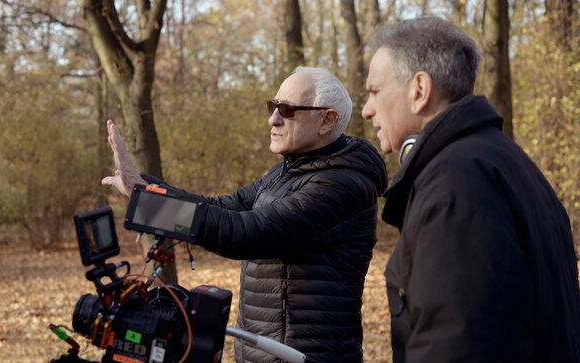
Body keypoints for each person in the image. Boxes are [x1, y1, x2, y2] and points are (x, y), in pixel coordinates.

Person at [102, 66, 388, 362]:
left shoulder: (343, 183)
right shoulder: (287, 170)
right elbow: (222, 207)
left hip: (302, 356)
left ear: (327, 120)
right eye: (272, 106)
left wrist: (150, 208)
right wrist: (143, 190)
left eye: (287, 110)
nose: (272, 119)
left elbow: (246, 233)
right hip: (265, 352)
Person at [361, 16, 580, 362]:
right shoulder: (504, 161)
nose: (367, 109)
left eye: (374, 91)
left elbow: (458, 347)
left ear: (419, 90)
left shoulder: (456, 185)